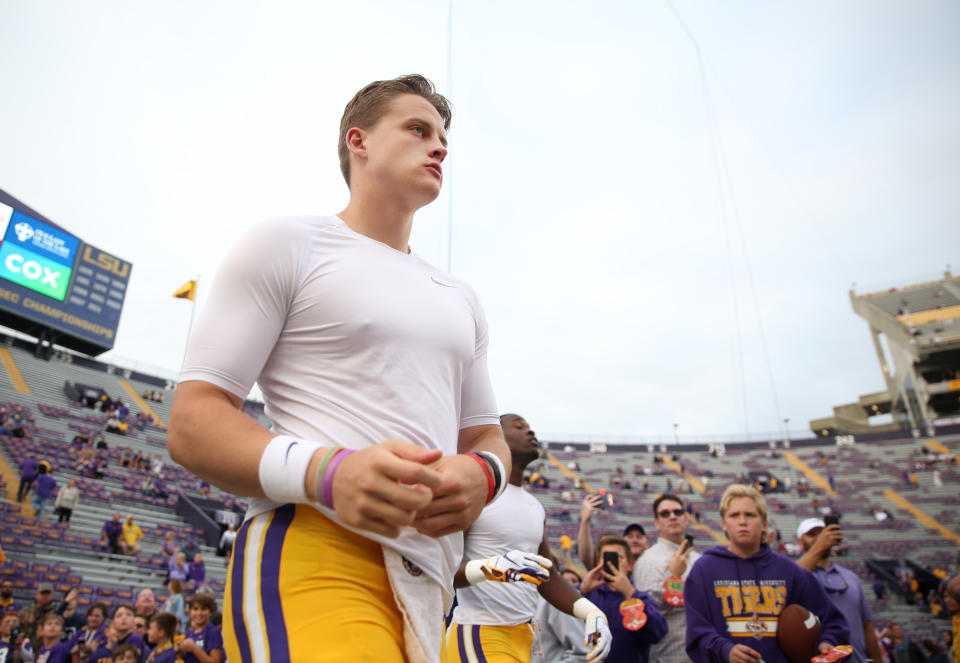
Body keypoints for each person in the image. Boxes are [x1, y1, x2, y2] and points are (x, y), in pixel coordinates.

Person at [167, 73, 509, 662]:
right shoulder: (287, 243)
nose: (440, 146)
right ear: (359, 141)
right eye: (418, 128)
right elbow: (193, 421)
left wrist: (485, 475)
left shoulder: (460, 296)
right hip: (314, 547)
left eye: (444, 137)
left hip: (432, 580)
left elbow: (485, 436)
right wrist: (330, 472)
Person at [443, 414, 612, 663]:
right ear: (496, 437)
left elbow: (547, 575)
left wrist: (591, 612)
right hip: (480, 631)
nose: (530, 432)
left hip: (526, 637)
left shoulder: (534, 506)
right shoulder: (478, 492)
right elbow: (445, 570)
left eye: (530, 427)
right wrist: (488, 568)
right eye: (519, 426)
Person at [684, 484, 849, 663]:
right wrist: (725, 650)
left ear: (763, 524)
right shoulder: (704, 570)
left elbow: (834, 622)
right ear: (724, 524)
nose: (742, 521)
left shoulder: (789, 572)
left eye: (750, 515)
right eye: (734, 515)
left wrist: (827, 642)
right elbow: (697, 633)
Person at [796, 518, 884, 663]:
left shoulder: (852, 577)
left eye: (822, 533)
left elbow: (867, 627)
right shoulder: (793, 573)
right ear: (800, 542)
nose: (819, 538)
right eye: (812, 534)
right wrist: (819, 546)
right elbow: (793, 580)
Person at [633, 493, 701, 663]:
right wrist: (674, 577)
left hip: (700, 653)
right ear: (657, 523)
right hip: (668, 654)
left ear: (686, 519)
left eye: (677, 512)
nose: (672, 516)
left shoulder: (698, 559)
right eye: (665, 513)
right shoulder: (649, 559)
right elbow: (647, 612)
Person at [578, 534, 667, 663]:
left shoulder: (641, 598)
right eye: (606, 557)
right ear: (598, 563)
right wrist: (583, 592)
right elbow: (563, 625)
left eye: (618, 557)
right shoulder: (587, 594)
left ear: (629, 565)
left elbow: (658, 633)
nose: (611, 562)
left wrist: (631, 594)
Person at [175, 593, 223, 663]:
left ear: (210, 612)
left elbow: (216, 661)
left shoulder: (213, 632)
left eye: (203, 609)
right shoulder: (189, 634)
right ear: (190, 611)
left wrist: (194, 648)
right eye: (195, 609)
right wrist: (179, 651)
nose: (199, 613)